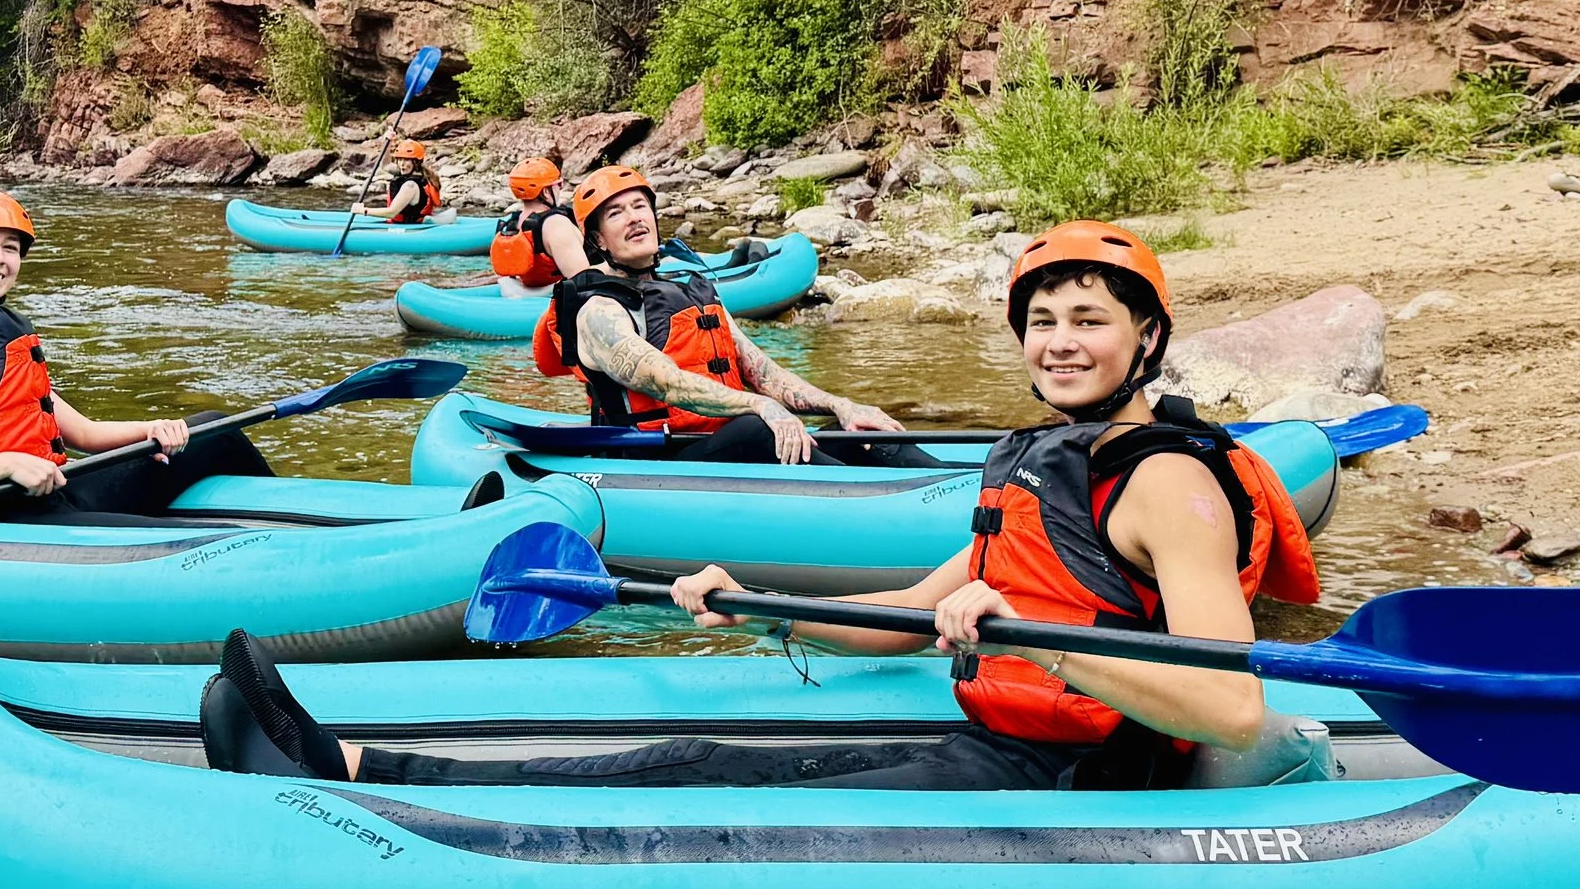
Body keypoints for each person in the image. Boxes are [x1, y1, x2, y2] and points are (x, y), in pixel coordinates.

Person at [213, 222, 1327, 792]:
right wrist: (760, 604)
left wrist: (1051, 650)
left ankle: (353, 776)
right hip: (1003, 740)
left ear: (1146, 338)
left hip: (1080, 777)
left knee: (689, 771)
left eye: (1089, 319)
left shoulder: (1172, 483)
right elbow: (908, 603)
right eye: (1042, 321)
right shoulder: (1045, 456)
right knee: (690, 752)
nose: (1060, 341)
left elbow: (1227, 709)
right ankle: (345, 763)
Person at [0, 188, 271, 520]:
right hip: (5, 520)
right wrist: (6, 464)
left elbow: (82, 433)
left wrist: (153, 428)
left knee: (213, 430)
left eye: (9, 246)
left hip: (51, 493)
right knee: (196, 543)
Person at [528, 165, 909, 463]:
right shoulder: (598, 310)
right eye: (616, 213)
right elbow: (668, 384)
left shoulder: (691, 289)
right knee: (754, 428)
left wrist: (842, 405)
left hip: (726, 444)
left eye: (639, 206)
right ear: (597, 240)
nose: (633, 218)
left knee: (860, 437)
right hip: (658, 460)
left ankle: (951, 495)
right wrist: (760, 406)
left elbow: (766, 375)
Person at [490, 156, 589, 296]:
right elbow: (583, 279)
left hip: (529, 292)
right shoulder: (556, 225)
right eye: (559, 185)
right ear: (545, 192)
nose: (560, 189)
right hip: (555, 297)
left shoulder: (512, 224)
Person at [361, 141, 443, 223]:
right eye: (399, 159)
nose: (402, 164)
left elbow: (391, 213)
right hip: (404, 224)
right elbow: (385, 165)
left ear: (416, 162)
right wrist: (388, 142)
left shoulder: (410, 186)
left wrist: (363, 211)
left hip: (410, 229)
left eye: (406, 160)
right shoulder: (412, 173)